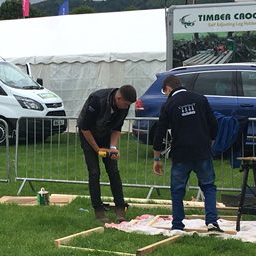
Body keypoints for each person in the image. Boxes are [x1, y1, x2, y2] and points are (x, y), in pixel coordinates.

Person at [151, 74, 221, 232]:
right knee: (208, 186)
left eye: (165, 92)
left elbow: (160, 132)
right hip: (202, 150)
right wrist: (210, 140)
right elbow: (213, 123)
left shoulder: (169, 104)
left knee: (177, 189)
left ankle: (177, 224)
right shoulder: (200, 99)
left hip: (181, 153)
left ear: (168, 89)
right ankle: (212, 222)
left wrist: (157, 158)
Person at [77, 84, 137, 222]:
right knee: (94, 172)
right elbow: (85, 128)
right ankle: (98, 210)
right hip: (88, 135)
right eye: (126, 103)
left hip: (107, 133)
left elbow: (117, 129)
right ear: (118, 97)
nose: (127, 107)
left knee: (113, 171)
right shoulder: (97, 100)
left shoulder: (124, 105)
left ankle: (120, 208)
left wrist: (113, 148)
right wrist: (97, 150)